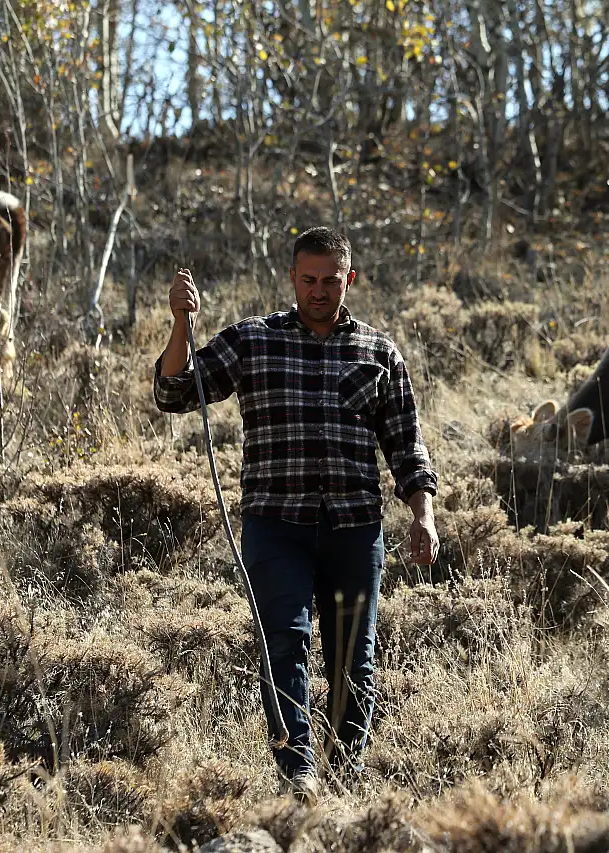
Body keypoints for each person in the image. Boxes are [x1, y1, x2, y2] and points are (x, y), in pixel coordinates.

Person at [152, 227, 439, 802]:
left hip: (355, 529)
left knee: (353, 660)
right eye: (308, 279)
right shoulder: (253, 341)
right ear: (292, 278)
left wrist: (423, 515)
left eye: (330, 280)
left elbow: (406, 445)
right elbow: (175, 393)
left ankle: (345, 775)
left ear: (348, 279)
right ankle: (298, 775)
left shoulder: (379, 353)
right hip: (275, 525)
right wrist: (181, 323)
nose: (318, 290)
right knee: (282, 644)